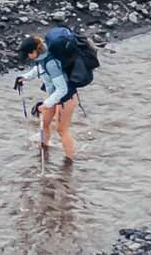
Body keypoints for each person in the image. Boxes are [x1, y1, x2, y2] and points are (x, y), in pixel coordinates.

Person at [14, 27, 94, 160]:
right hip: (53, 95)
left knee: (61, 130)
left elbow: (62, 89)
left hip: (66, 98)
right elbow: (39, 69)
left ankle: (69, 163)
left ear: (35, 51)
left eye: (28, 54)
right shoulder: (43, 56)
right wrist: (25, 77)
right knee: (44, 123)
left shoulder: (51, 63)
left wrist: (46, 104)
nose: (28, 57)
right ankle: (44, 150)